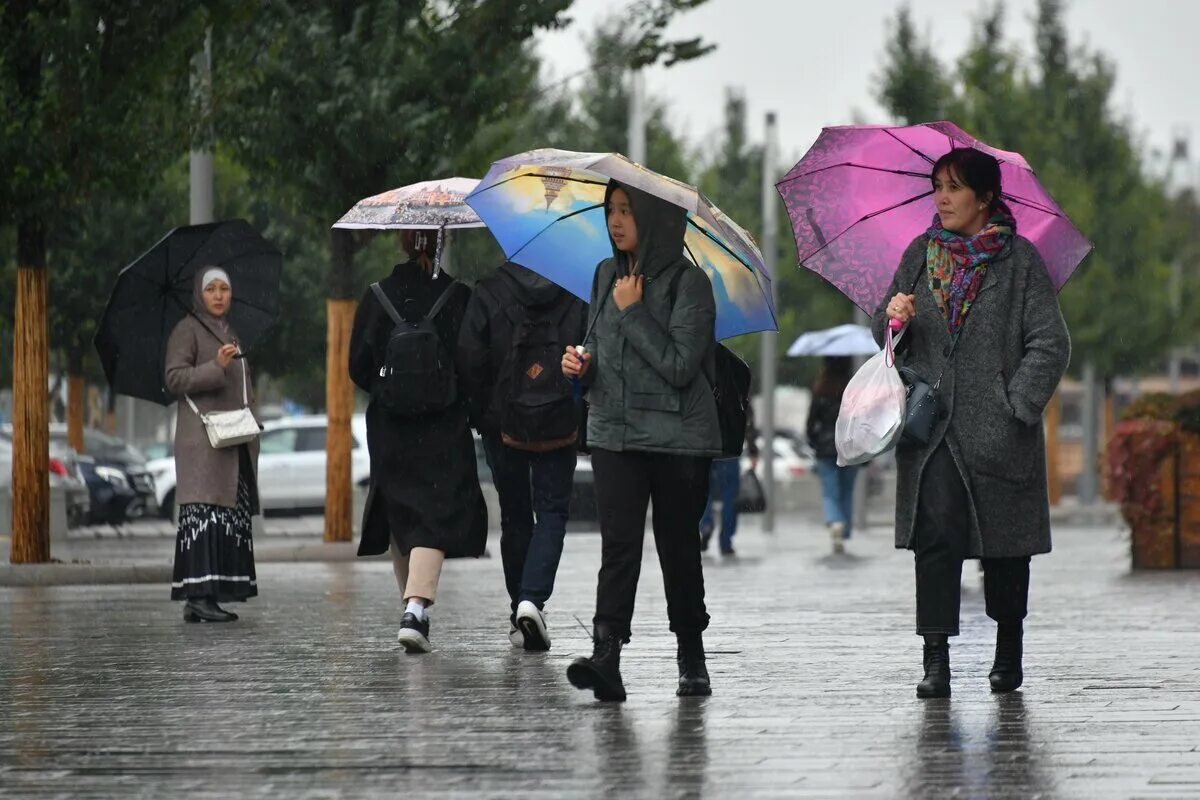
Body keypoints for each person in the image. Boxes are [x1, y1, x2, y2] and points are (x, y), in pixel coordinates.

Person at [871, 147, 1070, 698]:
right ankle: (936, 661)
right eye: (938, 185)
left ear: (985, 198)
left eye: (955, 187)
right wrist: (893, 319)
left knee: (1007, 552)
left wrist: (1016, 408)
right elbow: (884, 335)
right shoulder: (919, 254)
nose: (942, 196)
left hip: (1000, 434)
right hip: (931, 429)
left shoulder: (1021, 262)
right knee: (935, 539)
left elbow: (1050, 344)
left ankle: (1009, 650)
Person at [561, 181, 722, 702]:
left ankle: (691, 652)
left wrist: (633, 312)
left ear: (654, 219)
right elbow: (597, 345)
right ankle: (607, 655)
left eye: (627, 211)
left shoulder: (689, 284)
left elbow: (679, 366)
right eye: (611, 211)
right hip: (613, 433)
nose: (616, 221)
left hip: (677, 440)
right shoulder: (605, 275)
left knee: (678, 547)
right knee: (619, 548)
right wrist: (580, 366)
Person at [349, 230, 488, 654]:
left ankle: (411, 608)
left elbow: (358, 367)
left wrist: (390, 385)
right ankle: (416, 608)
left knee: (402, 512)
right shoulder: (458, 296)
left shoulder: (376, 296)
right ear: (441, 242)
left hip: (390, 426)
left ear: (402, 243)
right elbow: (473, 361)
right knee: (434, 513)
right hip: (442, 424)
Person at [457, 260, 587, 651]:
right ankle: (533, 600)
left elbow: (468, 357)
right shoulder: (576, 290)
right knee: (552, 512)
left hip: (503, 424)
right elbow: (590, 354)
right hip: (559, 420)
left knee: (514, 515)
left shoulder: (489, 291)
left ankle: (520, 610)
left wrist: (485, 412)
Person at [164, 268, 261, 623]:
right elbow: (174, 377)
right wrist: (214, 366)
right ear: (198, 294)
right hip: (202, 446)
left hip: (232, 443)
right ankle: (198, 596)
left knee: (225, 518)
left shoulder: (229, 332)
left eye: (224, 289)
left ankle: (209, 596)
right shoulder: (186, 329)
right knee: (204, 515)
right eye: (211, 289)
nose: (219, 296)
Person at [805, 356, 860, 555]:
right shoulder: (854, 389)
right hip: (850, 446)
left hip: (826, 448)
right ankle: (843, 529)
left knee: (830, 491)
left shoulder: (820, 388)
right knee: (846, 491)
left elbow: (811, 423)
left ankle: (835, 521)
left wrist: (814, 441)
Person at [699, 404, 758, 556]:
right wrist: (752, 449)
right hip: (729, 449)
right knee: (730, 497)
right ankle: (726, 541)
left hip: (706, 448)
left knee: (705, 492)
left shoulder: (704, 382)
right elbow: (747, 420)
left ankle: (705, 525)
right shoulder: (735, 383)